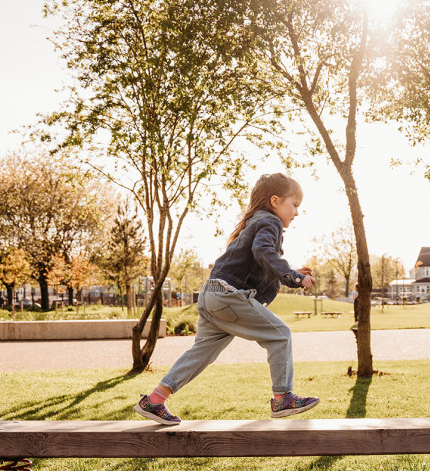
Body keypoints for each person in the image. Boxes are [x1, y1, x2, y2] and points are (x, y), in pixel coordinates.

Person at [135, 173, 319, 426]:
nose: (296, 212)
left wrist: (292, 276)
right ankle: (282, 398)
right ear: (275, 201)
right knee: (280, 334)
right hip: (228, 295)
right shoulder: (270, 222)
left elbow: (260, 263)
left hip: (212, 294)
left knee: (202, 353)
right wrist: (293, 276)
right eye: (294, 205)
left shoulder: (255, 222)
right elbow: (264, 252)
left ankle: (155, 400)